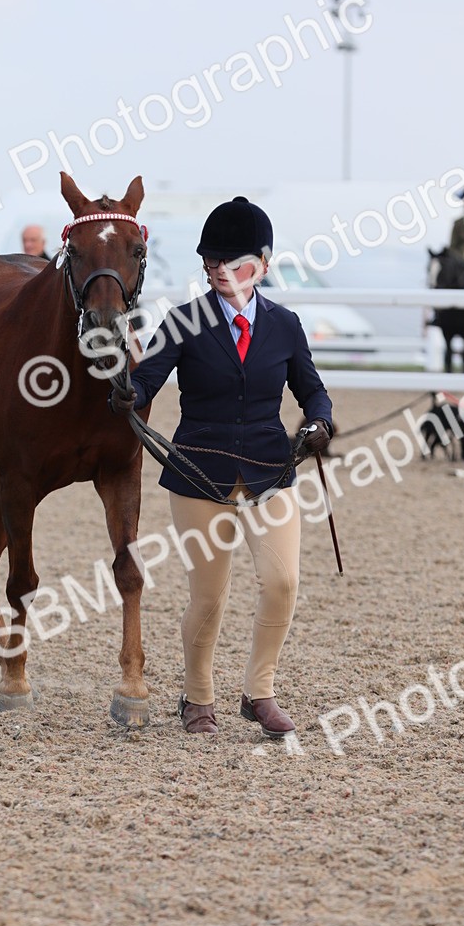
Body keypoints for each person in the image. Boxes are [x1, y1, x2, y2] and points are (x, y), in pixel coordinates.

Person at [110, 196, 333, 739]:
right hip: (199, 476)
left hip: (269, 472)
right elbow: (148, 380)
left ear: (261, 264)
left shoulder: (285, 325)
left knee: (282, 581)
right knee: (209, 597)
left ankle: (259, 692)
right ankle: (198, 698)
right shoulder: (184, 322)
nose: (218, 272)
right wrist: (128, 391)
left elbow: (312, 390)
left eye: (230, 263)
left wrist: (320, 422)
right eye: (211, 263)